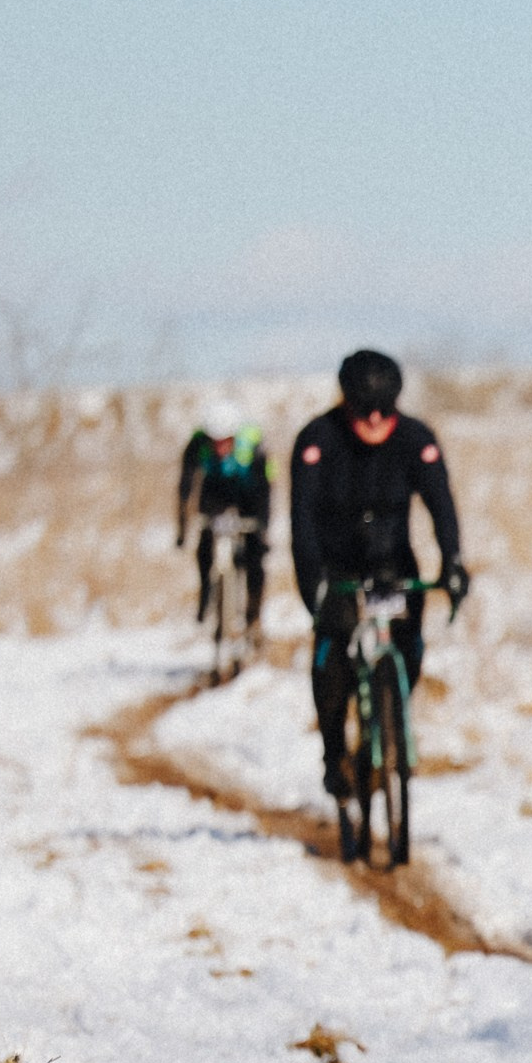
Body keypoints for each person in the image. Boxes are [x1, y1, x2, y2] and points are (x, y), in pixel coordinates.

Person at [288, 349, 471, 850]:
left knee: (409, 654)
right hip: (338, 569)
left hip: (394, 567)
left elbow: (441, 506)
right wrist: (314, 590)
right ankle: (335, 756)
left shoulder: (416, 439)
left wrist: (452, 564)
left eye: (384, 408)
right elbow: (301, 525)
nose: (374, 419)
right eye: (364, 408)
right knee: (332, 666)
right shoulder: (317, 441)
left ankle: (388, 727)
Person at [176, 403, 273, 627]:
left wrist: (263, 528)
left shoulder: (252, 444)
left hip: (248, 491)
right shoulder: (198, 442)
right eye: (214, 441)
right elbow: (185, 486)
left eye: (225, 441)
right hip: (215, 490)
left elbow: (265, 489)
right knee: (205, 544)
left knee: (255, 554)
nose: (219, 448)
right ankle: (206, 595)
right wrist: (182, 528)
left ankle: (253, 612)